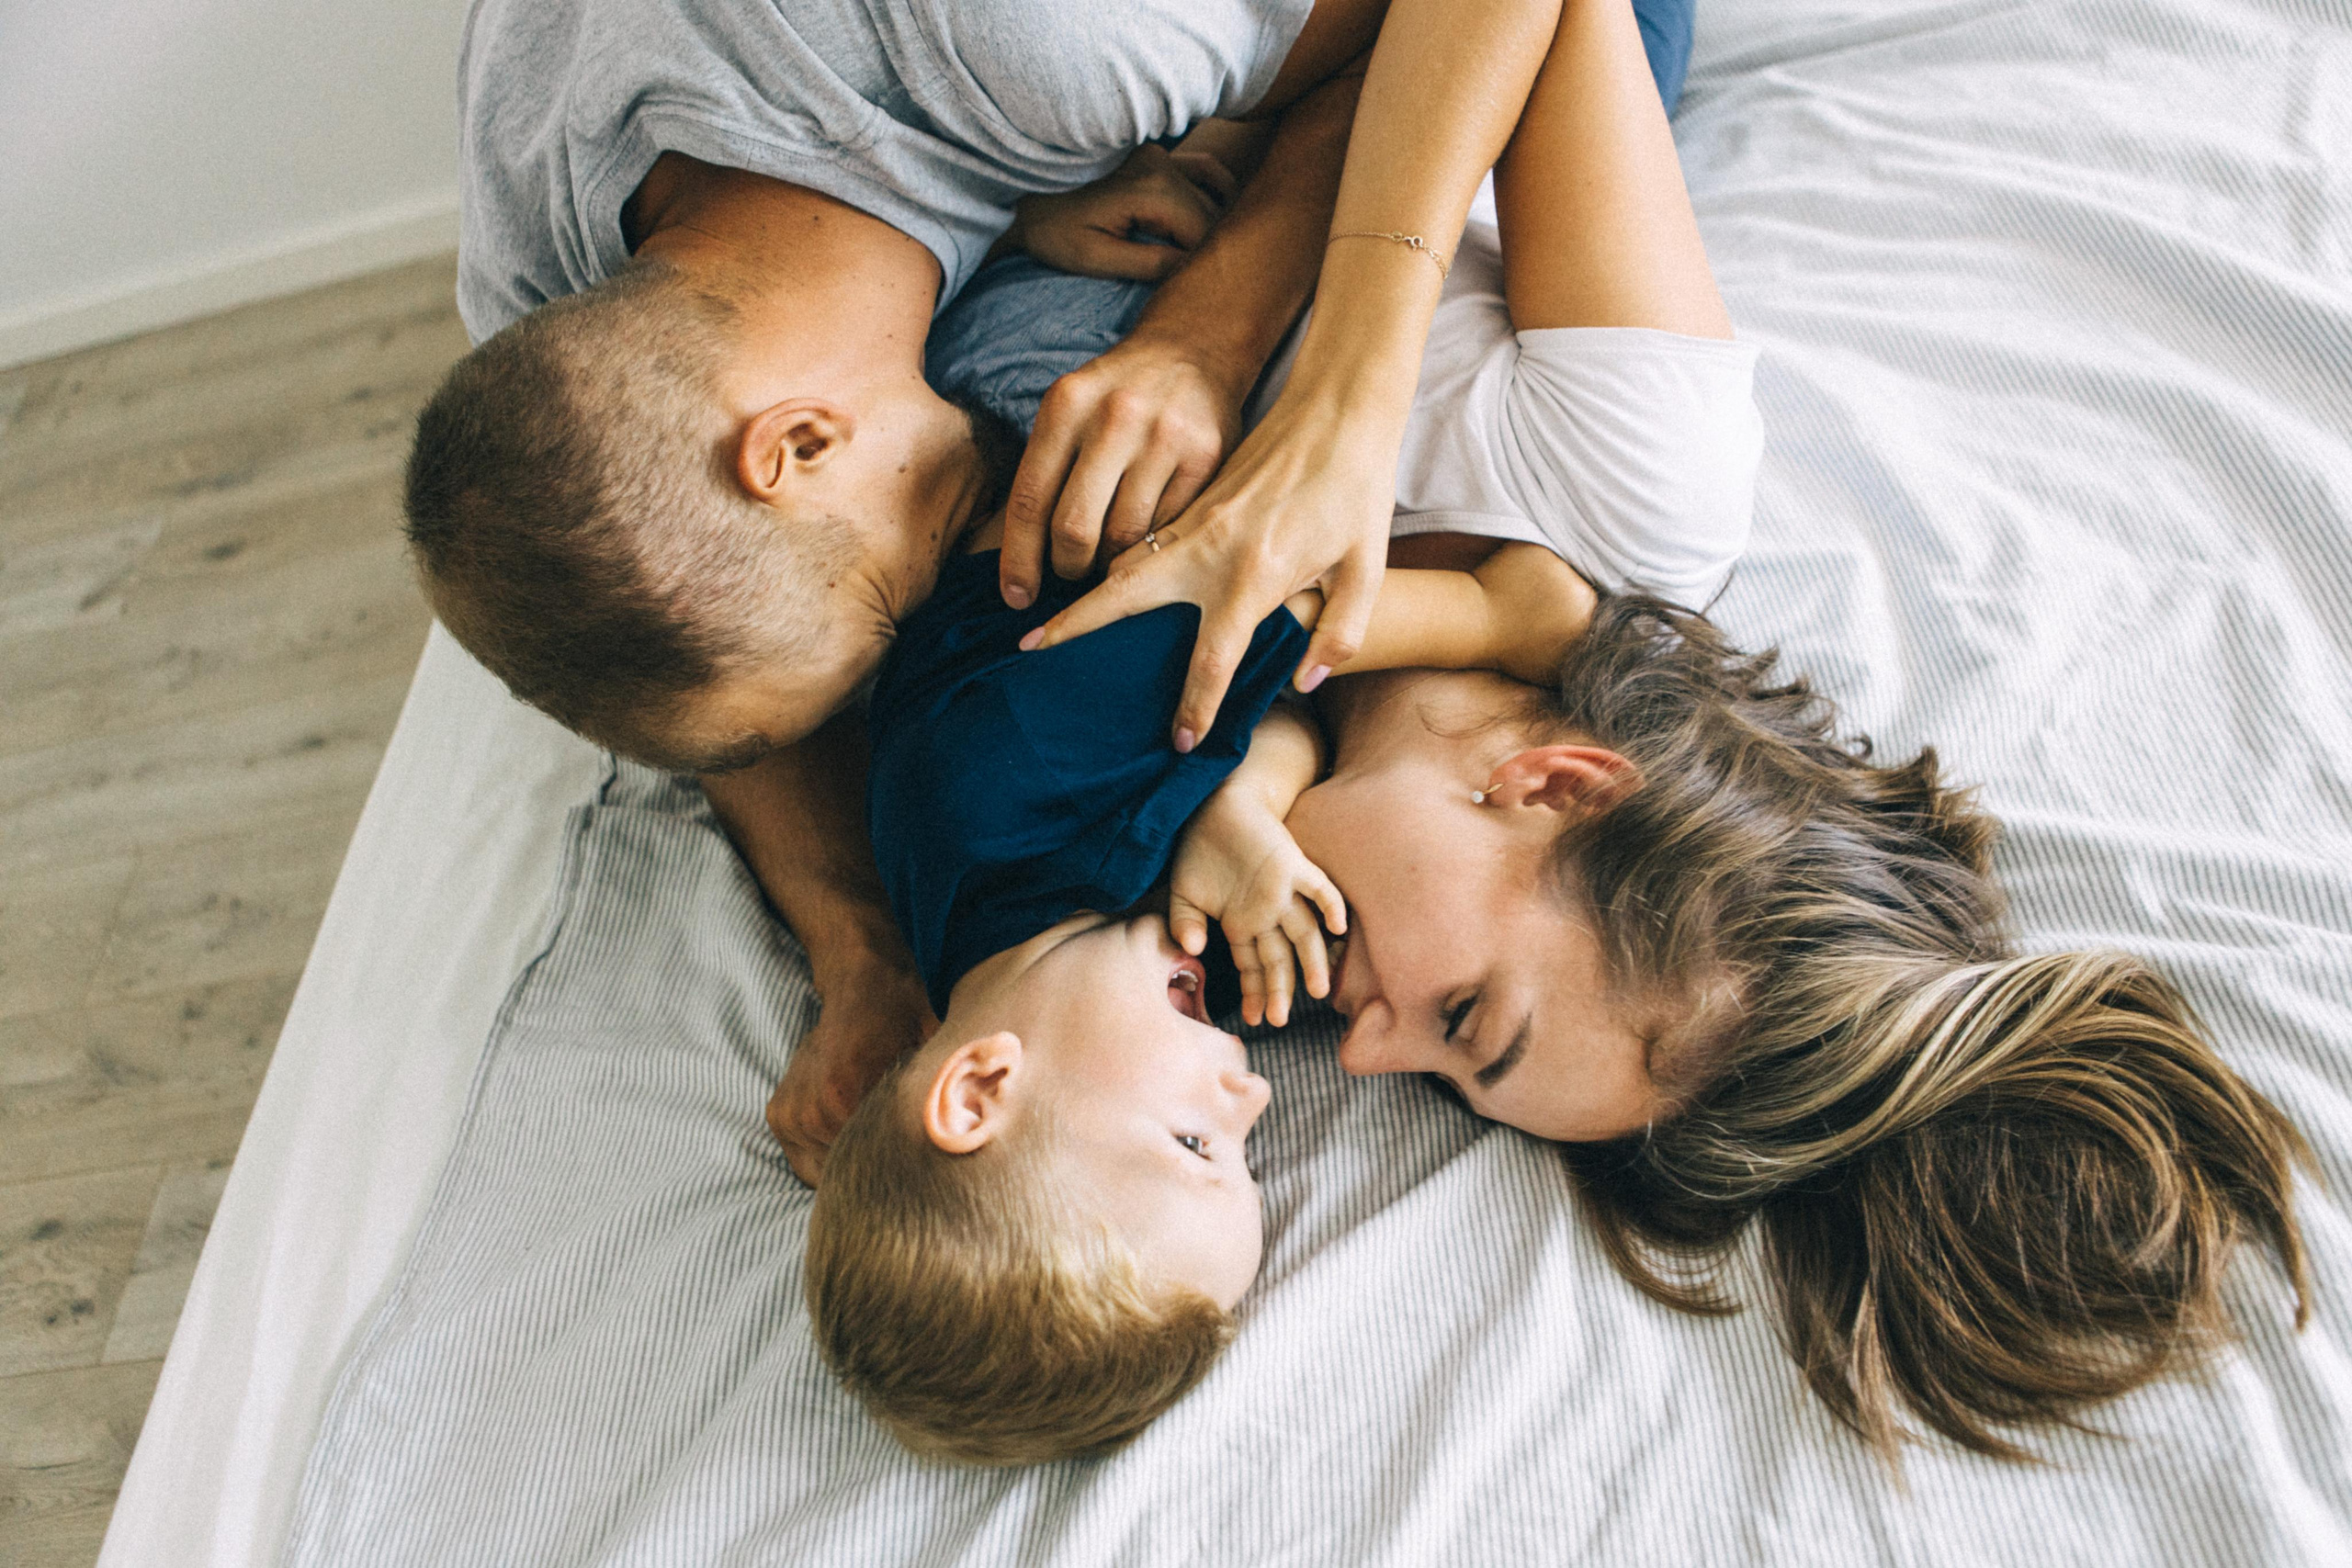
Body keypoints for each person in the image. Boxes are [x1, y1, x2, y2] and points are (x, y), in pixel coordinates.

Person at [801, 0, 1748, 1463]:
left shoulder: (997, 785)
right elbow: (1292, 711)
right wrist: (1250, 797)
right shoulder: (1206, 986)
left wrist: (1514, 622)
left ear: (981, 1083)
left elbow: (1291, 610)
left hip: (1135, 330)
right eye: (1244, 1149)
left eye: (1198, 1144)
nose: (1260, 1090)